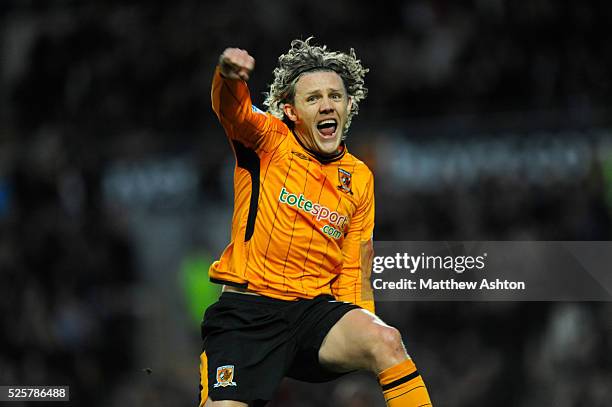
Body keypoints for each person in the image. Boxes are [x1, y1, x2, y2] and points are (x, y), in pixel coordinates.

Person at [199, 38, 432, 407]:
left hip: (313, 315)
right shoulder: (268, 141)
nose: (326, 104)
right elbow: (234, 111)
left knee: (386, 341)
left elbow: (356, 265)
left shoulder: (359, 177)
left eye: (334, 96)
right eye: (313, 98)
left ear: (349, 105)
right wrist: (229, 77)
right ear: (291, 111)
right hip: (249, 314)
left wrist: (361, 328)